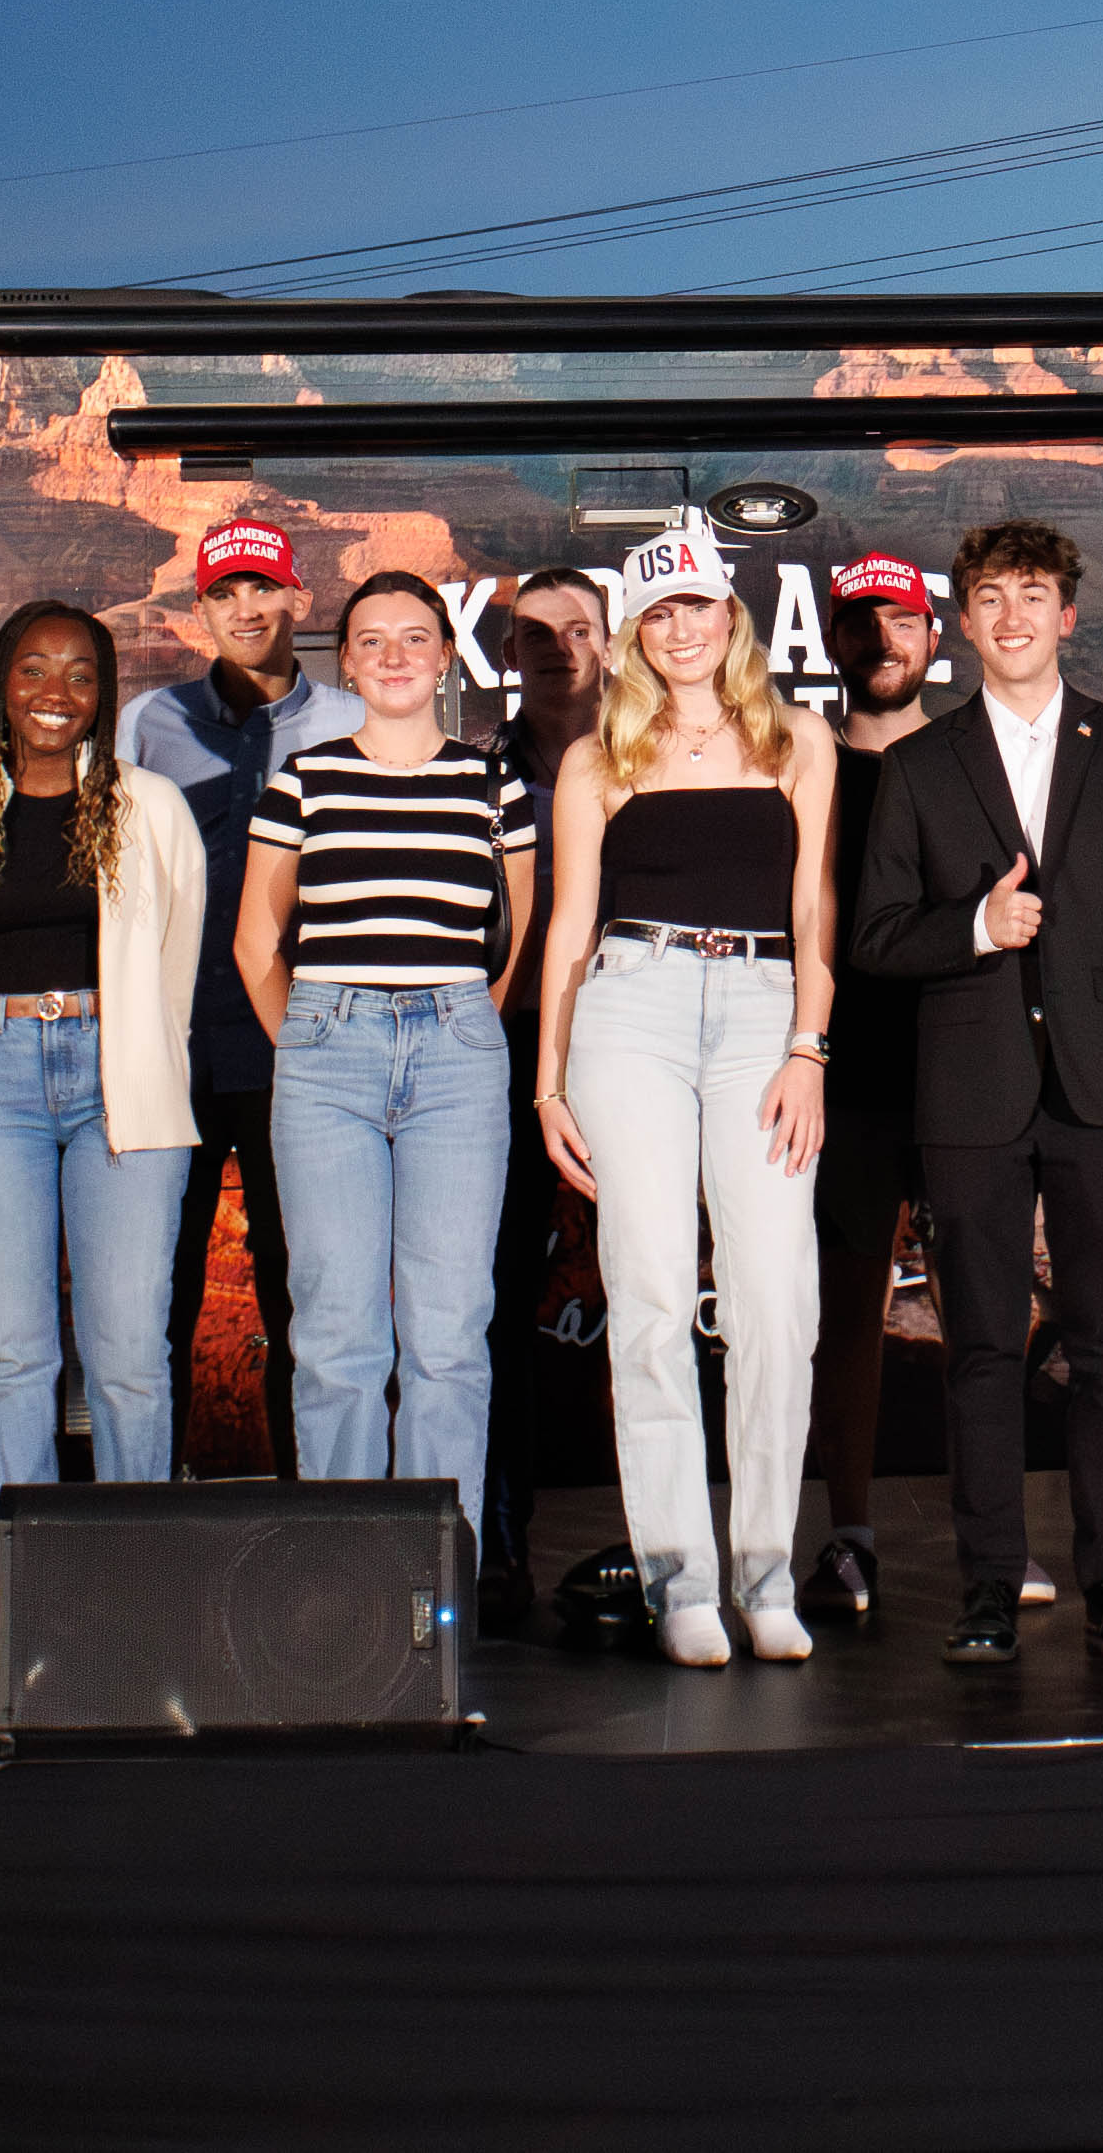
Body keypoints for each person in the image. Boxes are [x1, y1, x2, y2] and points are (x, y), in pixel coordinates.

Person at [854, 518, 1103, 1668]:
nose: (1010, 616)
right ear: (964, 621)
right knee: (983, 1354)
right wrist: (974, 926)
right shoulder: (916, 766)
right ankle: (989, 1587)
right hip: (969, 1092)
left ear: (1065, 614)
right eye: (989, 597)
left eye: (1032, 594)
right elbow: (876, 938)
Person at [537, 520, 833, 1668]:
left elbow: (813, 909)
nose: (681, 629)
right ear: (633, 633)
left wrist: (809, 1047)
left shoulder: (794, 740)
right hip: (632, 1004)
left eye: (696, 606)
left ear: (730, 615)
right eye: (658, 613)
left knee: (773, 1299)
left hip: (763, 1009)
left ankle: (765, 1571)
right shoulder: (597, 754)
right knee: (651, 1292)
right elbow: (568, 927)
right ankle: (680, 1580)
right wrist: (547, 1082)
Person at [0, 601, 206, 1678]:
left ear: (103, 692)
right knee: (13, 1356)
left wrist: (137, 1071)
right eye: (32, 667)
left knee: (127, 1353)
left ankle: (133, 1579)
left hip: (119, 1083)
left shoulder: (150, 808)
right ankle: (12, 1588)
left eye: (80, 673)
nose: (54, 689)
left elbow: (173, 968)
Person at [239, 572, 535, 1558]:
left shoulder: (493, 785)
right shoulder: (302, 780)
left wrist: (457, 1027)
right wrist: (315, 1048)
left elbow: (514, 932)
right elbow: (254, 943)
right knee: (334, 1332)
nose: (396, 655)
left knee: (449, 1331)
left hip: (456, 1049)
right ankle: (343, 1569)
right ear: (348, 660)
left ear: (447, 657)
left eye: (417, 637)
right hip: (329, 1048)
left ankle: (432, 1582)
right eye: (373, 640)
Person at [118, 518, 365, 1474]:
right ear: (199, 611)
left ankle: (308, 1505)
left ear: (298, 599)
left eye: (262, 588)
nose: (245, 608)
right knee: (158, 1293)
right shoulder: (151, 724)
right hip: (173, 1050)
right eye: (224, 593)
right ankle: (159, 1511)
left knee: (300, 1290)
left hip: (295, 1048)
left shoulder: (348, 722)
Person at [797, 553, 937, 1620]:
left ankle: (1000, 1534)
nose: (881, 640)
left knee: (985, 1309)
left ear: (931, 635)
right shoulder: (801, 765)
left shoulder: (978, 761)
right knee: (848, 1317)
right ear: (828, 640)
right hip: (845, 1075)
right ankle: (848, 1534)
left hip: (964, 1065)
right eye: (860, 622)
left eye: (901, 618)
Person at [474, 564, 612, 1631]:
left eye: (579, 628)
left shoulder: (661, 755)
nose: (559, 647)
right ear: (507, 654)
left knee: (664, 1306)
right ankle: (501, 1546)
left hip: (650, 1048)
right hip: (516, 1063)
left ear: (609, 642)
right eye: (537, 632)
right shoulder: (473, 773)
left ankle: (683, 1548)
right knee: (500, 1307)